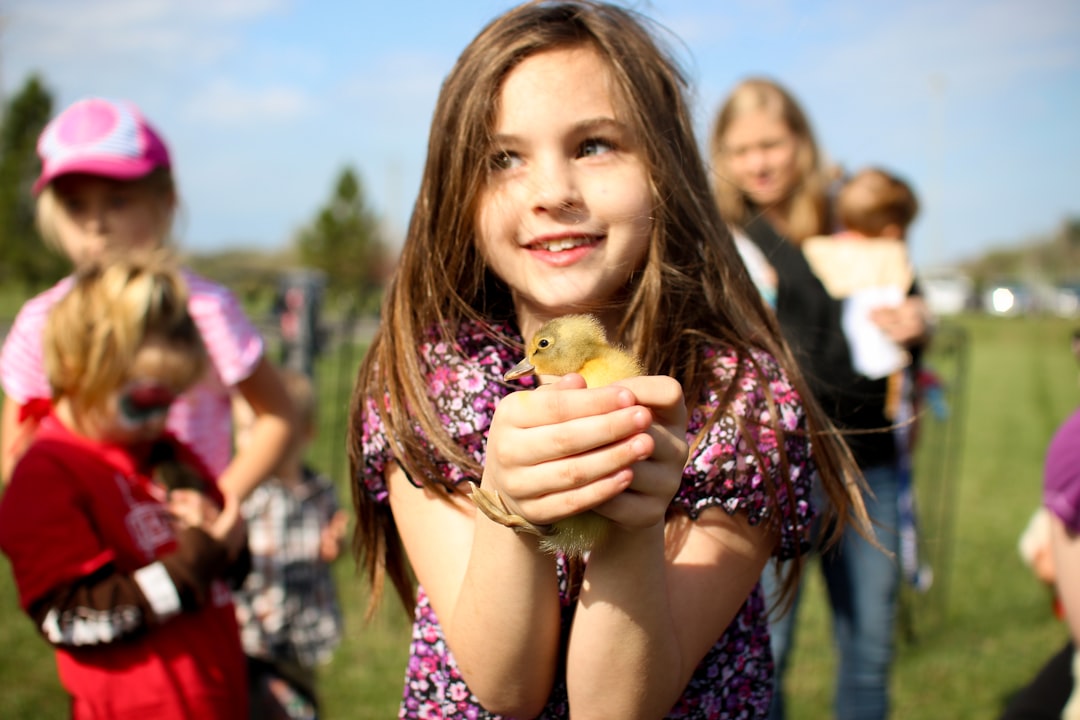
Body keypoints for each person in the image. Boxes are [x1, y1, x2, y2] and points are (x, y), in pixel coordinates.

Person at [348, 3, 874, 718]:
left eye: (594, 145)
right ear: (457, 190)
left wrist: (634, 521)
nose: (552, 193)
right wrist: (508, 500)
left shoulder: (737, 399)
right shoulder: (422, 384)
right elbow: (506, 687)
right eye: (503, 158)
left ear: (664, 167)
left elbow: (614, 707)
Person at [711, 79, 932, 720]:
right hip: (772, 471)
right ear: (720, 155)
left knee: (868, 651)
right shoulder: (722, 237)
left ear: (801, 142)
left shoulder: (851, 216)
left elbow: (898, 312)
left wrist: (918, 325)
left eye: (772, 143)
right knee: (764, 657)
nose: (759, 162)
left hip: (869, 464)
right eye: (741, 148)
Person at [0, 96, 294, 533]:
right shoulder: (40, 320)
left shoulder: (205, 309)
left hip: (187, 548)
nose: (95, 223)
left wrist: (220, 502)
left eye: (117, 201)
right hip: (89, 549)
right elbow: (16, 451)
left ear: (166, 199)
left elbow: (277, 414)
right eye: (76, 205)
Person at [0, 251, 249, 719]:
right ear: (77, 369)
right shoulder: (47, 474)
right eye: (144, 402)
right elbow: (70, 617)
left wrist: (232, 541)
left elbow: (226, 563)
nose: (160, 420)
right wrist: (192, 565)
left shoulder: (167, 452)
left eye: (171, 401)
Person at [231, 366, 347, 720]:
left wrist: (335, 545)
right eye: (246, 431)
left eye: (263, 432)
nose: (254, 444)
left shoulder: (319, 491)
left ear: (304, 433)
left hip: (301, 625)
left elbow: (331, 540)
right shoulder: (243, 495)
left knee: (298, 702)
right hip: (252, 627)